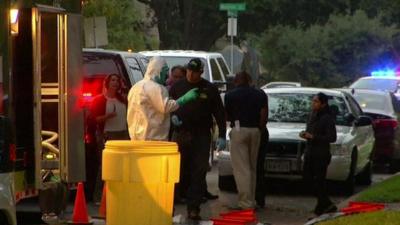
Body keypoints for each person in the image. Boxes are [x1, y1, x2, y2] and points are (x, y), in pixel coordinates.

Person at [169, 58, 226, 220]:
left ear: (201, 72)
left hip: (201, 134)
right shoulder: (177, 87)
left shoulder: (209, 88)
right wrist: (173, 118)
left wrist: (222, 134)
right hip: (181, 133)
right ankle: (171, 204)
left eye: (195, 72)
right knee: (176, 170)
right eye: (189, 71)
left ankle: (193, 207)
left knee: (199, 170)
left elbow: (219, 113)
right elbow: (168, 105)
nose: (192, 75)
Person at [127, 56, 199, 141]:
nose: (167, 76)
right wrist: (184, 99)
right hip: (153, 138)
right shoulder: (156, 88)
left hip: (135, 137)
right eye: (165, 72)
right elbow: (165, 107)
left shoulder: (136, 87)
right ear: (159, 71)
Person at [224, 71, 268, 210]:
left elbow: (227, 115)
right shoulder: (260, 94)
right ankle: (252, 199)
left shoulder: (230, 95)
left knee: (241, 169)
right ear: (249, 81)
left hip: (238, 130)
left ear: (236, 81)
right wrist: (259, 129)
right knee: (252, 167)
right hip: (255, 130)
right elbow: (264, 115)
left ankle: (245, 203)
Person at [88, 73, 129, 202]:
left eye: (117, 80)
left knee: (122, 165)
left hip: (122, 134)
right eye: (113, 80)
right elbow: (94, 119)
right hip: (107, 134)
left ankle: (119, 193)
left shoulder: (123, 100)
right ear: (107, 83)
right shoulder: (99, 100)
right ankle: (98, 196)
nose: (115, 83)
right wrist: (108, 116)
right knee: (105, 165)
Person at [300, 92, 337, 216]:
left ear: (323, 103)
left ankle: (322, 206)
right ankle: (325, 203)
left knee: (319, 181)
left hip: (321, 154)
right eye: (313, 101)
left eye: (316, 101)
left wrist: (314, 137)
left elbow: (332, 137)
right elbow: (310, 130)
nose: (313, 103)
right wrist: (305, 134)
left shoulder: (327, 117)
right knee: (307, 179)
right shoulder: (312, 115)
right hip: (310, 152)